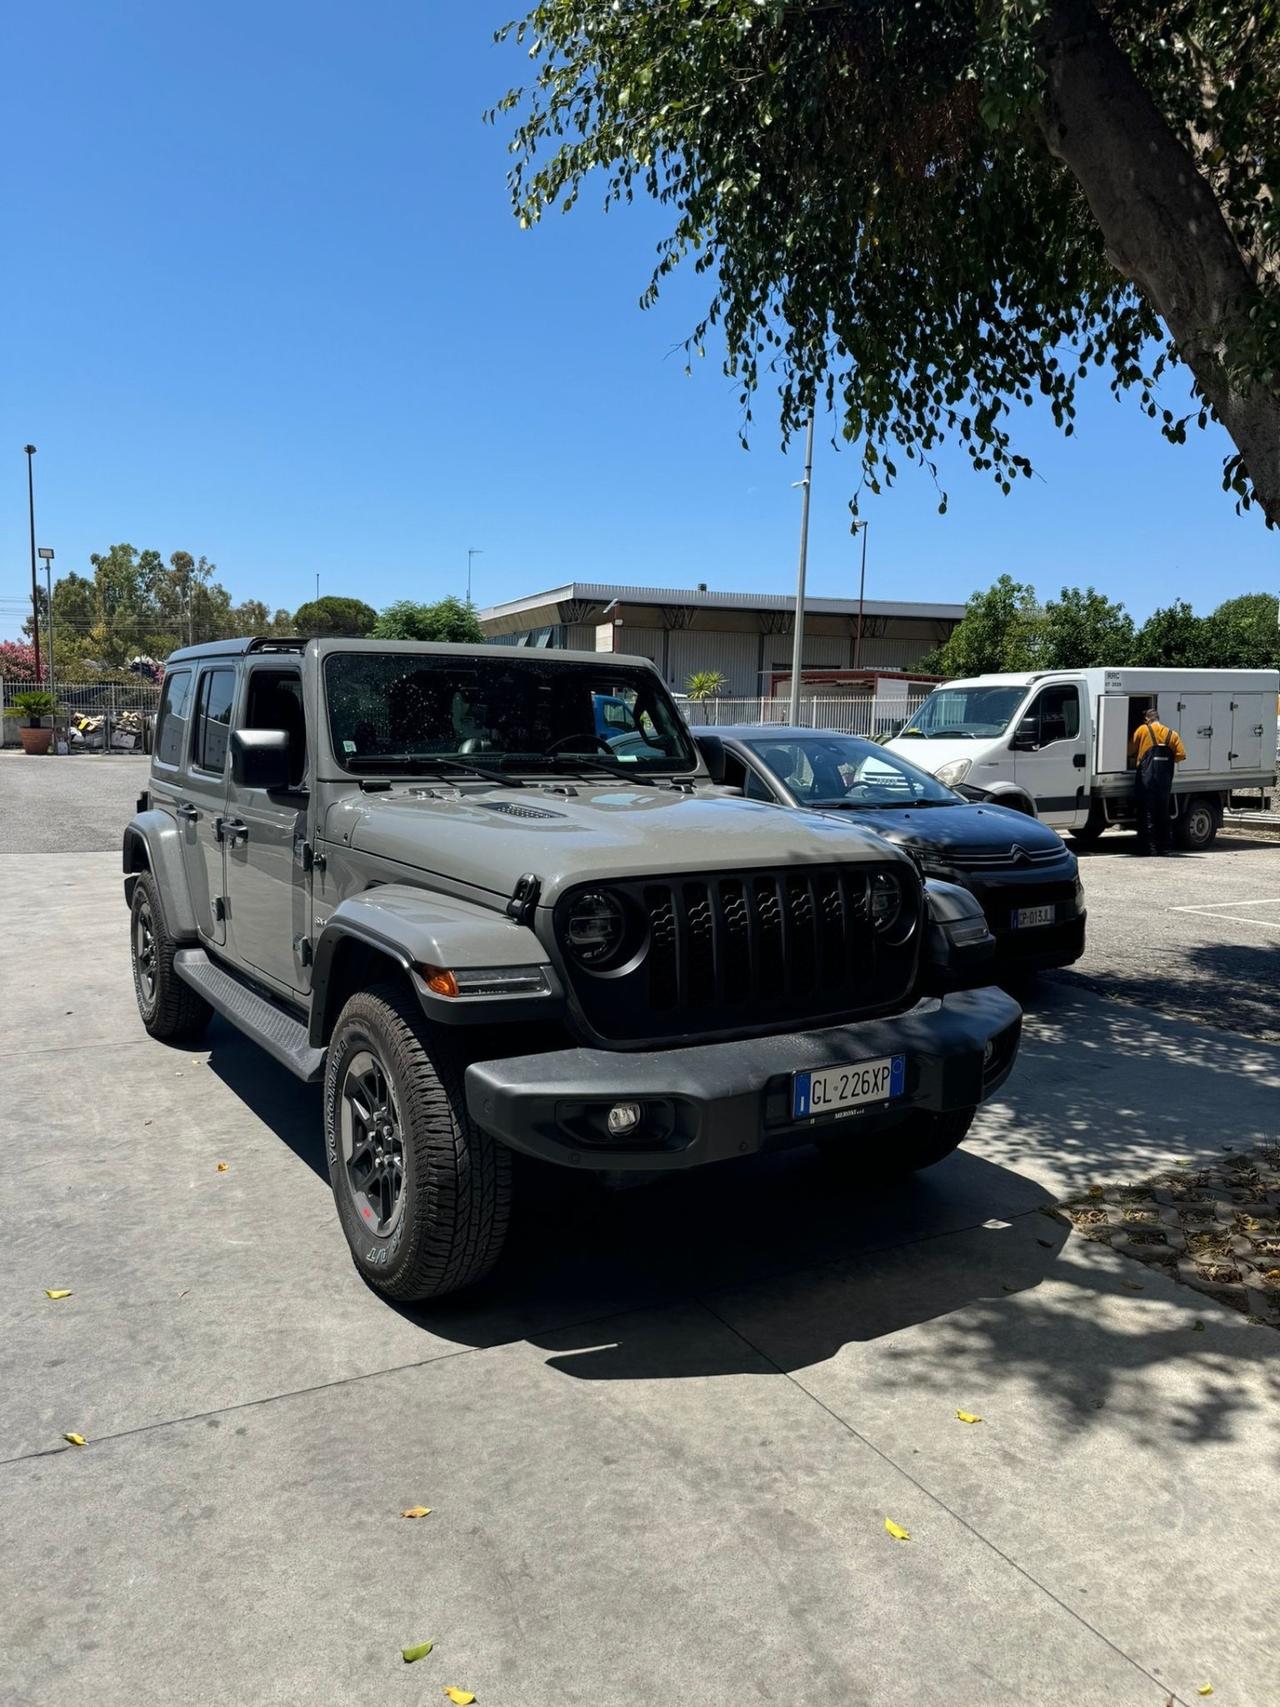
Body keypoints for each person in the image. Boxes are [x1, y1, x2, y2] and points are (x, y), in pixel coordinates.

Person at [1129, 707, 1186, 855]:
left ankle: (1149, 848)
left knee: (1146, 812)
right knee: (1163, 811)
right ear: (1158, 719)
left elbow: (1131, 749)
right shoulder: (1172, 734)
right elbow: (1180, 755)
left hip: (1146, 778)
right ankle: (1165, 847)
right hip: (1164, 780)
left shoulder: (1142, 730)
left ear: (1147, 719)